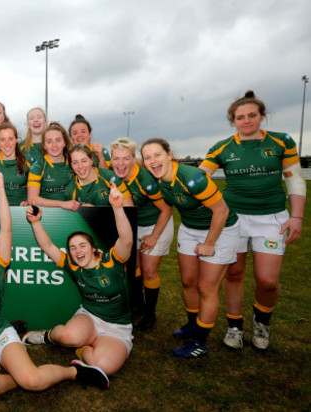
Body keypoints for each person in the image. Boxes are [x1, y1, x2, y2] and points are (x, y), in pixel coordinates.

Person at [0, 168, 105, 400]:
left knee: (33, 380)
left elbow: (5, 229)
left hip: (1, 336)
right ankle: (13, 379)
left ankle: (74, 371)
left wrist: (0, 187)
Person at [199, 90, 306, 350]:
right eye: (240, 117)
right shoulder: (222, 147)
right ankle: (234, 327)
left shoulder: (281, 142)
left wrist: (297, 216)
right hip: (234, 219)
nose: (247, 121)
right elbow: (200, 177)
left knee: (267, 280)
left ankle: (262, 322)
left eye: (252, 115)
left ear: (262, 116)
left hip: (271, 219)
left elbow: (294, 179)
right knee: (234, 273)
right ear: (233, 121)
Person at [23, 182, 134, 388]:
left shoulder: (112, 262)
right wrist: (36, 222)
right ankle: (47, 336)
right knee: (66, 335)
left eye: (82, 245)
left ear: (93, 249)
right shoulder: (74, 266)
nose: (77, 251)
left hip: (117, 327)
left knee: (105, 366)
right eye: (72, 248)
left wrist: (118, 208)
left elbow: (126, 240)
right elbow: (47, 246)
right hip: (89, 317)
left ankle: (83, 350)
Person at [141, 138, 240, 358]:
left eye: (157, 154)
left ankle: (200, 343)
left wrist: (209, 244)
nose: (152, 161)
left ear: (169, 154)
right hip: (189, 228)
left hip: (220, 229)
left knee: (206, 287)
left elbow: (221, 211)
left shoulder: (191, 177)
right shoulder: (157, 180)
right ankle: (193, 324)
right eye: (147, 157)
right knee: (188, 282)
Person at [110, 138, 174, 330]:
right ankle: (138, 305)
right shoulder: (114, 176)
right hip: (134, 225)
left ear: (133, 159)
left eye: (126, 158)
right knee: (133, 266)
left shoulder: (145, 179)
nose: (120, 163)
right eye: (116, 159)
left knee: (148, 271)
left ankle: (150, 314)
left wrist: (154, 236)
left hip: (156, 223)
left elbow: (167, 209)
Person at [64, 145, 134, 208]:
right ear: (71, 165)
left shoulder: (110, 178)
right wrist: (81, 210)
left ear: (91, 160)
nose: (80, 166)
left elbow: (129, 210)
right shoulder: (70, 190)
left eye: (84, 161)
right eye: (75, 163)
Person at [27, 122, 74, 207]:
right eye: (49, 141)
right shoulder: (37, 167)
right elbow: (32, 199)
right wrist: (62, 204)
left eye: (58, 140)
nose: (54, 145)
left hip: (73, 212)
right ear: (44, 145)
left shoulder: (73, 162)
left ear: (64, 143)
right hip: (47, 215)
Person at [0, 122, 29, 206]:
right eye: (2, 140)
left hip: (22, 210)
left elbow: (38, 187)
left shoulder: (27, 161)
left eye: (10, 139)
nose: (7, 144)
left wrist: (29, 201)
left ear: (16, 139)